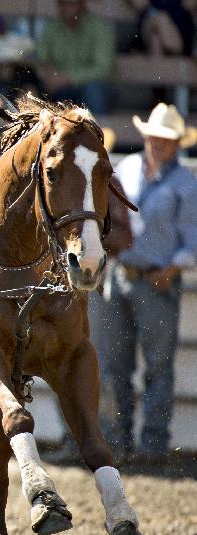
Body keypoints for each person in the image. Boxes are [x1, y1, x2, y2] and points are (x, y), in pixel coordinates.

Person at [90, 103, 197, 465]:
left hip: (157, 280)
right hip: (119, 275)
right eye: (153, 136)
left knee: (157, 366)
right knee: (111, 364)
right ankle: (115, 442)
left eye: (165, 139)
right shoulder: (128, 167)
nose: (157, 143)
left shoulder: (186, 183)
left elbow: (192, 239)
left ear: (176, 144)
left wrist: (172, 268)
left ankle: (153, 447)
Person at [35, 0, 115, 114]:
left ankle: (98, 129)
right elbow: (41, 60)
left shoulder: (100, 28)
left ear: (82, 4)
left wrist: (68, 78)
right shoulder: (51, 29)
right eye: (65, 3)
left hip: (97, 89)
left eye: (73, 3)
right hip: (63, 89)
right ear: (59, 5)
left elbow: (103, 70)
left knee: (93, 89)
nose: (69, 8)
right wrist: (47, 75)